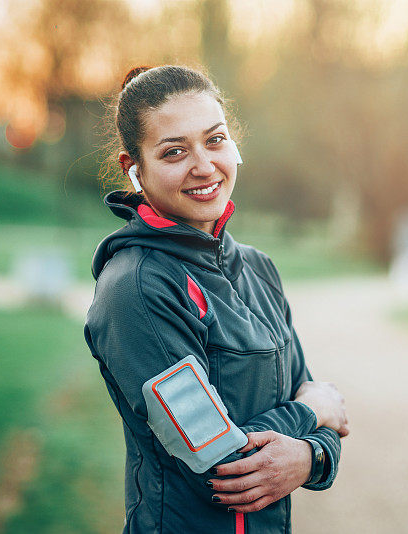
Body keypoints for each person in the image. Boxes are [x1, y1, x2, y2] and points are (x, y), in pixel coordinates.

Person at [84, 65, 349, 534]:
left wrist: (311, 455)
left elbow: (319, 403)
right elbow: (217, 461)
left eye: (215, 139)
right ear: (134, 168)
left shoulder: (259, 268)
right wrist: (310, 421)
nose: (203, 166)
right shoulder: (137, 289)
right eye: (174, 151)